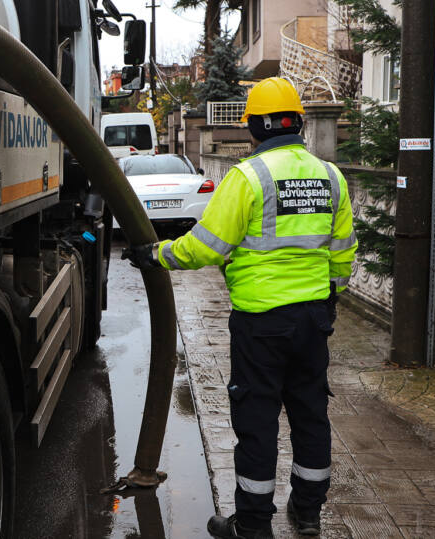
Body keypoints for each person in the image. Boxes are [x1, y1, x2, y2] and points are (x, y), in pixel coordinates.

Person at [123, 77, 357, 538]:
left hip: (261, 323)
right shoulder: (331, 176)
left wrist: (156, 255)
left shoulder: (247, 177)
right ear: (299, 124)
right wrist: (327, 298)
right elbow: (343, 251)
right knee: (311, 415)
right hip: (313, 320)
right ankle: (308, 513)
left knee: (257, 421)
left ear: (253, 127)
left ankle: (252, 525)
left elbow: (206, 246)